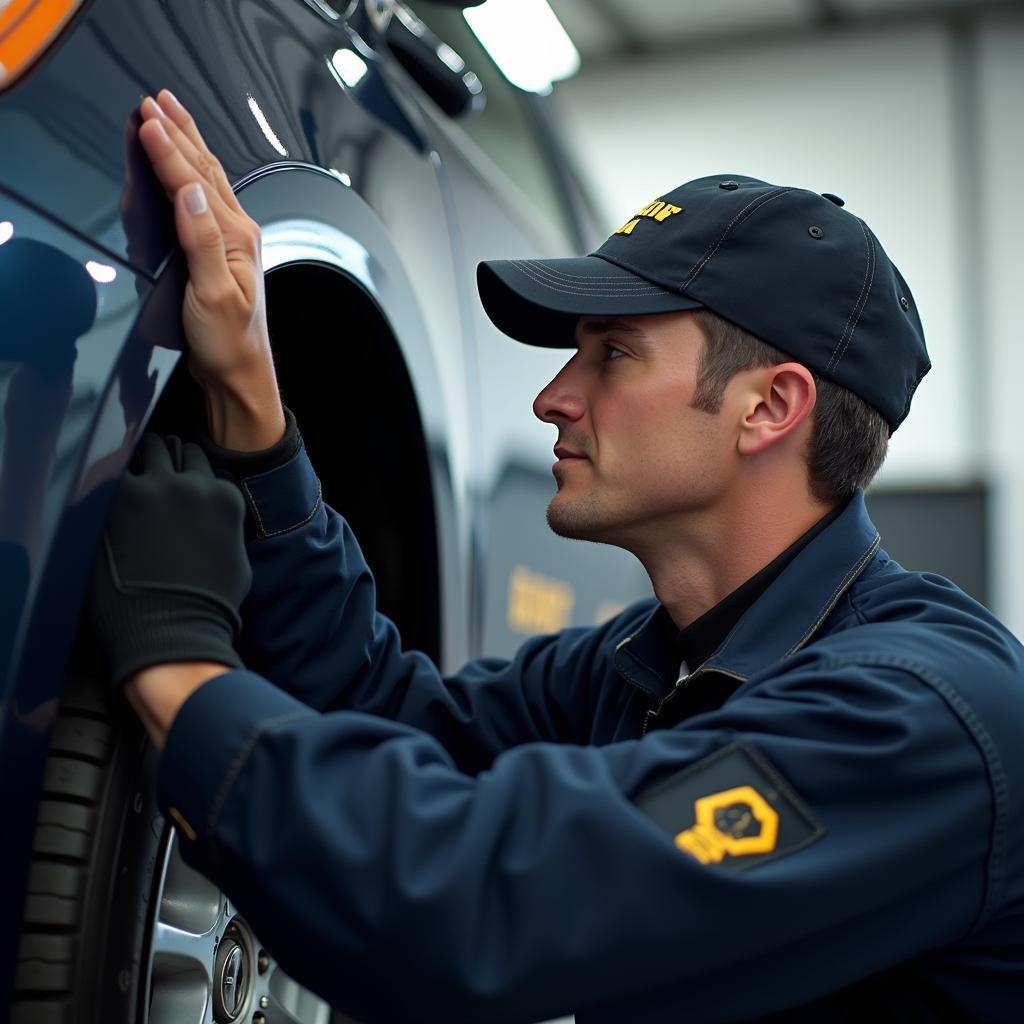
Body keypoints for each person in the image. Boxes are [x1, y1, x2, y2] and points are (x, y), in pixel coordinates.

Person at [88, 90, 1024, 1023]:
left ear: (769, 407)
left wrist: (178, 665)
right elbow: (390, 722)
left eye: (612, 355)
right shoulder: (641, 668)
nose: (552, 397)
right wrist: (256, 419)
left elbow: (482, 912)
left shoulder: (917, 719)